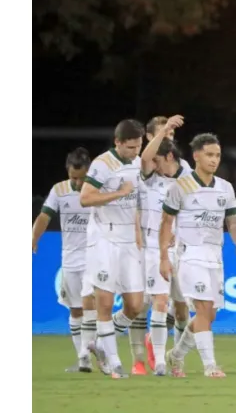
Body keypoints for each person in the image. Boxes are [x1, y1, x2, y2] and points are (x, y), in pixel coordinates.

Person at [161, 133, 236, 378]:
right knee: (202, 309)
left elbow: (232, 220)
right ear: (196, 156)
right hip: (190, 254)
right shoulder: (181, 186)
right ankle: (210, 366)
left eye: (217, 155)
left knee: (208, 315)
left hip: (215, 255)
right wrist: (163, 257)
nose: (214, 160)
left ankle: (176, 355)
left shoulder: (225, 188)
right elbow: (166, 221)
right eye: (209, 155)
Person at [32, 147, 108, 373]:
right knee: (76, 311)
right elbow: (44, 215)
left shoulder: (97, 190)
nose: (76, 183)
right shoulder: (60, 190)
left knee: (95, 308)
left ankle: (100, 353)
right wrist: (34, 238)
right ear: (67, 171)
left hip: (96, 258)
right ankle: (83, 357)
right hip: (70, 260)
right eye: (73, 177)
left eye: (81, 178)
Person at [80, 119, 146, 379]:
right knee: (104, 302)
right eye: (130, 147)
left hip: (129, 239)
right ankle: (114, 361)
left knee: (135, 305)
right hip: (104, 239)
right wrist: (117, 194)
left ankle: (99, 344)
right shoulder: (102, 164)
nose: (135, 152)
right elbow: (85, 198)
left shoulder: (138, 162)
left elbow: (136, 201)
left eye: (138, 146)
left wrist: (138, 231)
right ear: (117, 142)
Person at [137, 116, 190, 376]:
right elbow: (147, 157)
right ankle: (158, 360)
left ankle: (176, 359)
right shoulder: (149, 172)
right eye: (162, 133)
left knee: (182, 309)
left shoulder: (187, 171)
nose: (169, 135)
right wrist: (164, 130)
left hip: (182, 246)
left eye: (169, 133)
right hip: (153, 246)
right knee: (159, 301)